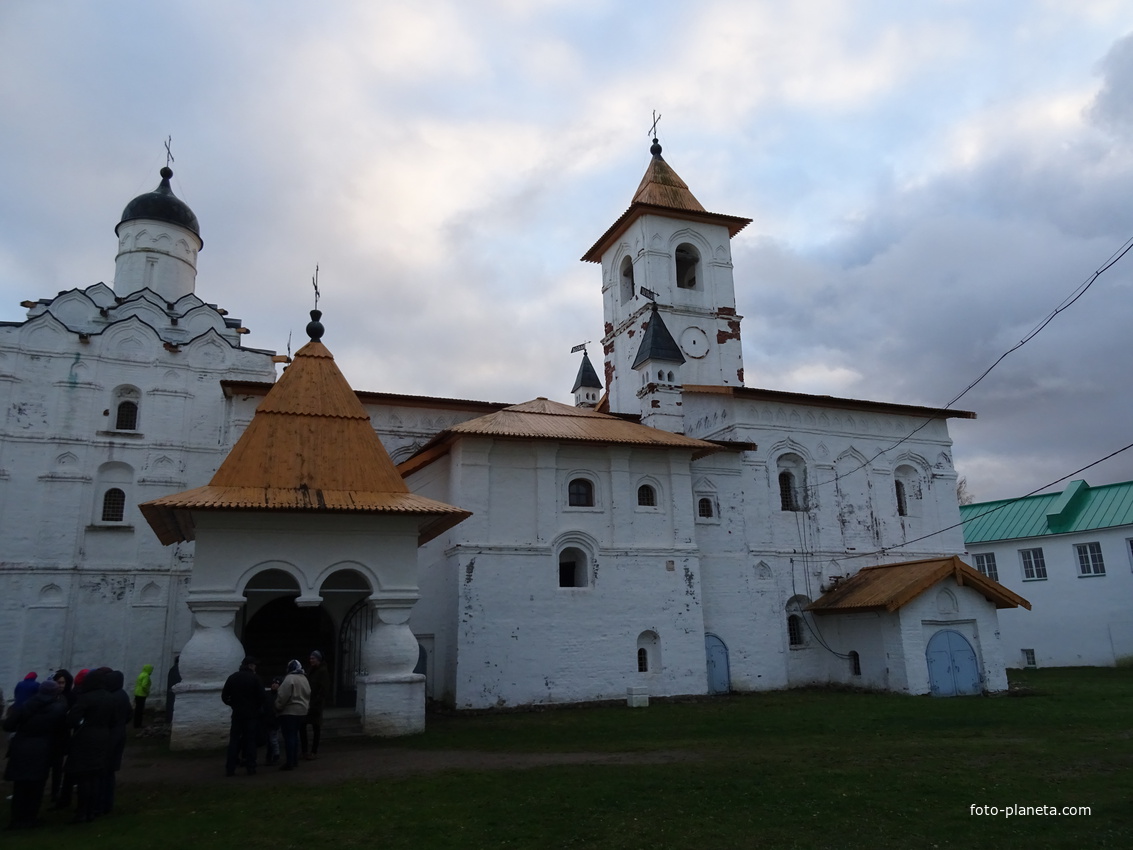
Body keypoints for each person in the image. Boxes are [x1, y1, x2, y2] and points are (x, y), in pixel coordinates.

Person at [3, 679, 67, 829]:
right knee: (36, 787)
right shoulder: (58, 709)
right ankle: (30, 818)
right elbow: (61, 733)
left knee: (20, 786)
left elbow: (8, 725)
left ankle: (17, 819)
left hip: (22, 747)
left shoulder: (27, 705)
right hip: (43, 749)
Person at [65, 668, 116, 824]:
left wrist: (82, 723)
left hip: (86, 738)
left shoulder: (85, 698)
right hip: (103, 737)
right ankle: (92, 811)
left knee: (84, 777)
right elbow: (114, 720)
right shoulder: (110, 697)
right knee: (95, 776)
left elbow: (72, 719)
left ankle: (81, 813)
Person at [221, 657, 262, 777]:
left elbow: (224, 696)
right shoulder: (255, 678)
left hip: (237, 714)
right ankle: (251, 767)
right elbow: (262, 696)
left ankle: (230, 768)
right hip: (251, 715)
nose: (255, 667)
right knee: (250, 741)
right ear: (250, 666)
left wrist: (233, 704)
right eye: (254, 665)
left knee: (234, 741)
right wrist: (256, 706)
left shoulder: (233, 677)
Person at [99, 670, 133, 815]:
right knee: (109, 772)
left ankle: (101, 804)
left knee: (103, 771)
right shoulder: (123, 695)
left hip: (109, 736)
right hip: (119, 734)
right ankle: (106, 804)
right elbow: (129, 715)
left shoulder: (110, 697)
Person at [272, 659, 310, 771]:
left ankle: (290, 762)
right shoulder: (304, 678)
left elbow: (283, 695)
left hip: (289, 711)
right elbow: (308, 693)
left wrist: (278, 706)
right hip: (302, 711)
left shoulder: (289, 679)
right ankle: (295, 760)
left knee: (289, 736)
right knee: (295, 735)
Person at [300, 649, 330, 761]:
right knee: (302, 725)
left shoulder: (322, 671)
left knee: (316, 727)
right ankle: (304, 751)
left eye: (313, 658)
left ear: (318, 659)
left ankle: (313, 751)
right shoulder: (311, 670)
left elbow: (323, 689)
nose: (310, 660)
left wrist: (316, 702)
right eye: (310, 658)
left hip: (316, 704)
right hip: (308, 702)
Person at [132, 664, 153, 729]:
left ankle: (136, 724)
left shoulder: (141, 674)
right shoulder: (146, 676)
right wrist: (147, 691)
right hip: (142, 694)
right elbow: (144, 685)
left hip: (137, 693)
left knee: (137, 710)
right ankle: (138, 725)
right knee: (140, 710)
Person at [165, 656, 181, 724]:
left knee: (170, 707)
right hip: (176, 693)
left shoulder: (173, 669)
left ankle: (169, 720)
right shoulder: (178, 670)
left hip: (171, 693)